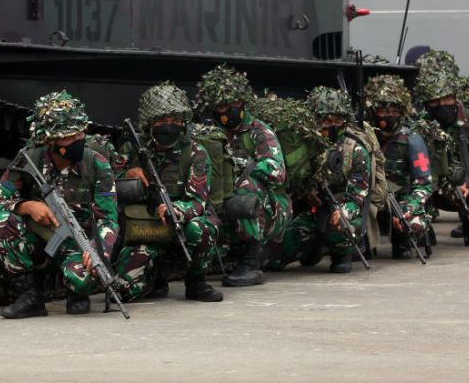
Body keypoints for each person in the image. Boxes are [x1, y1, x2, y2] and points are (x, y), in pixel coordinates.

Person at [0, 91, 119, 319]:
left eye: (80, 134)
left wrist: (99, 249)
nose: (77, 141)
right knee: (1, 221)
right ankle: (29, 296)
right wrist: (26, 206)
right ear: (50, 141)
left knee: (86, 279)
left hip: (78, 241)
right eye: (68, 137)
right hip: (40, 235)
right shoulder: (30, 159)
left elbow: (109, 218)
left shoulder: (97, 164)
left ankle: (76, 293)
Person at [113, 83, 223, 303]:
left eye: (175, 121)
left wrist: (175, 210)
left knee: (199, 229)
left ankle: (196, 281)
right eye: (162, 121)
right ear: (149, 124)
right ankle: (155, 278)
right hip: (146, 227)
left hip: (181, 221)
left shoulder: (195, 153)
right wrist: (128, 173)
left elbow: (198, 202)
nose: (168, 126)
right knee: (123, 291)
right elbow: (107, 182)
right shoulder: (132, 149)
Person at [193, 65, 289, 287]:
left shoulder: (258, 131)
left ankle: (251, 260)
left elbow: (277, 172)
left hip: (270, 208)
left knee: (247, 185)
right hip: (223, 202)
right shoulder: (207, 134)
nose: (231, 111)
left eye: (236, 105)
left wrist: (242, 164)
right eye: (224, 106)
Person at [272, 87, 370, 274]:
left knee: (342, 226)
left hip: (341, 204)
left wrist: (345, 211)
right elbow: (293, 178)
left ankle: (342, 254)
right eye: (326, 120)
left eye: (338, 120)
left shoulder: (355, 150)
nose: (332, 125)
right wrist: (306, 192)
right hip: (312, 208)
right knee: (276, 254)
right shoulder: (306, 145)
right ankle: (310, 248)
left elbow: (359, 194)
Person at [414, 50, 469, 246]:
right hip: (435, 183)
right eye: (435, 101)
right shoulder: (421, 125)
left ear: (455, 97)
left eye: (446, 99)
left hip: (468, 181)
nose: (441, 105)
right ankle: (423, 228)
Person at [364, 75, 434, 259]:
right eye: (383, 111)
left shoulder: (412, 140)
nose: (389, 116)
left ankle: (402, 240)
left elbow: (424, 183)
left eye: (394, 111)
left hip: (400, 199)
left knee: (414, 224)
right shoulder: (362, 138)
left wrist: (409, 210)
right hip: (367, 198)